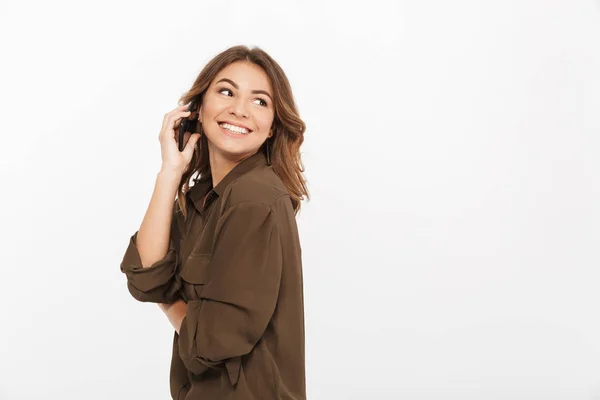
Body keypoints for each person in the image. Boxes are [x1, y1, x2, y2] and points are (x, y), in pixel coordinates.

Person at [119, 45, 309, 400]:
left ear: (271, 128)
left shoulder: (254, 198)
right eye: (226, 91)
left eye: (260, 101)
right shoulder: (206, 196)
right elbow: (143, 274)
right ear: (198, 108)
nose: (239, 110)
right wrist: (170, 172)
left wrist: (167, 299)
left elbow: (212, 340)